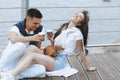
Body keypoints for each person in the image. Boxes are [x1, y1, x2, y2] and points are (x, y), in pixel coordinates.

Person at [0, 10, 97, 80]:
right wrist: (51, 41)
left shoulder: (77, 34)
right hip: (52, 55)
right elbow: (57, 47)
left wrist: (88, 68)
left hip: (59, 62)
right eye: (77, 14)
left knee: (32, 55)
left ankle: (11, 75)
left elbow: (81, 52)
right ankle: (16, 69)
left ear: (80, 23)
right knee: (31, 47)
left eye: (79, 17)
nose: (76, 16)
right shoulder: (64, 29)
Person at [0, 8, 46, 79]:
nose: (37, 26)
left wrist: (40, 41)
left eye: (39, 23)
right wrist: (32, 38)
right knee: (20, 46)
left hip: (24, 62)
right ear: (27, 19)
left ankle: (10, 74)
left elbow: (37, 49)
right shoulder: (16, 27)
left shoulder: (40, 29)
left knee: (42, 69)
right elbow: (13, 38)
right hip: (10, 60)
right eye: (35, 23)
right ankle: (4, 70)